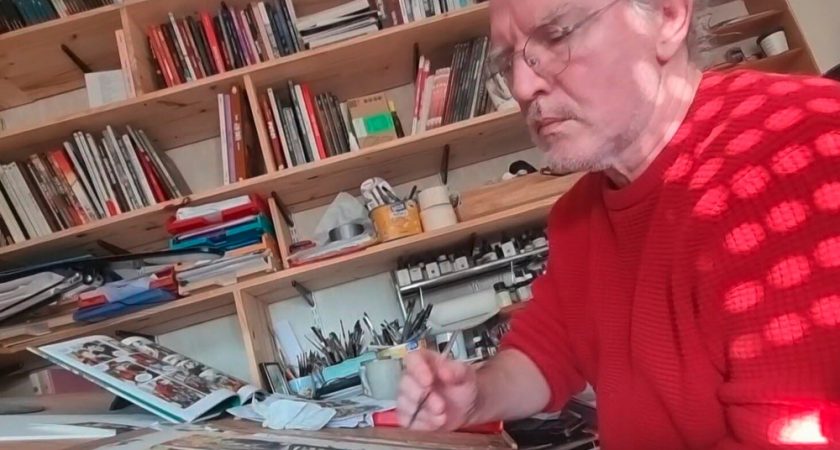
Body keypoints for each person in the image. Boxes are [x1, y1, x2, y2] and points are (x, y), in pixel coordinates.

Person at [397, 0, 840, 447]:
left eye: (557, 36)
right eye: (508, 61)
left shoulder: (798, 151)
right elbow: (547, 351)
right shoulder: (578, 217)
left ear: (667, 16)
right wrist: (476, 396)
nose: (523, 85)